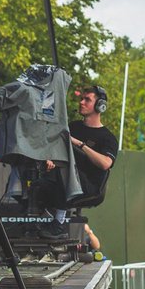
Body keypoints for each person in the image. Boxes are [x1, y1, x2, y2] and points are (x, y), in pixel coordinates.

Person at [41, 85, 117, 238]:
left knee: (64, 169)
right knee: (38, 182)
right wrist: (50, 160)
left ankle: (59, 222)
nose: (81, 102)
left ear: (100, 106)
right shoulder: (73, 127)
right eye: (81, 99)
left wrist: (80, 144)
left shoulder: (107, 137)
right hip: (64, 176)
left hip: (90, 186)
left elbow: (105, 163)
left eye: (87, 100)